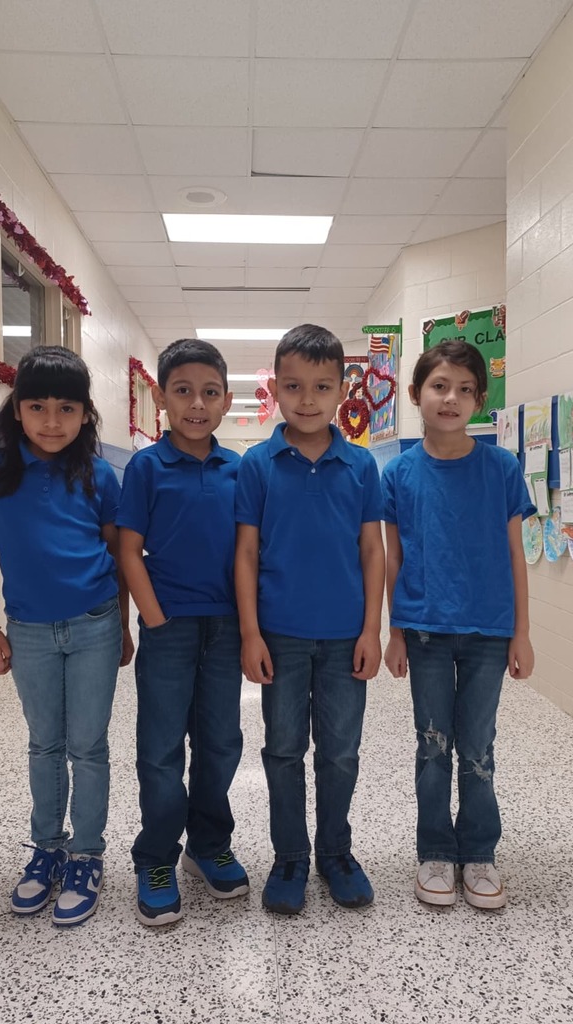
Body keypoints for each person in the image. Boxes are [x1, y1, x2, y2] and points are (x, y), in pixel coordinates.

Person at [0, 346, 133, 926]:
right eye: (37, 406)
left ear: (86, 414)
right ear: (17, 409)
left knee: (88, 746)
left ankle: (87, 854)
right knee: (44, 744)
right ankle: (46, 848)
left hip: (94, 625)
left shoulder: (99, 474)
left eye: (67, 408)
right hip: (29, 631)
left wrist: (125, 624)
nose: (52, 421)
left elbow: (118, 554)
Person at [235, 324, 385, 915]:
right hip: (282, 635)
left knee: (341, 752)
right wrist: (250, 632)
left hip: (347, 632)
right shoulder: (258, 464)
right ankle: (290, 856)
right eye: (294, 386)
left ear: (341, 389)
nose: (307, 399)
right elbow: (245, 553)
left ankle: (336, 853)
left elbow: (372, 551)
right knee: (283, 749)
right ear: (275, 389)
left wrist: (373, 628)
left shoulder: (361, 465)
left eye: (322, 386)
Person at [381, 339, 535, 910]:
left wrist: (521, 632)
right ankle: (435, 853)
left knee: (478, 745)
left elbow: (516, 554)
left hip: (490, 631)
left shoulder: (502, 468)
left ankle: (479, 853)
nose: (451, 398)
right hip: (422, 629)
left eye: (465, 389)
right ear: (417, 393)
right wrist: (393, 631)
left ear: (479, 400)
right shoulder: (398, 474)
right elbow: (393, 557)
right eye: (440, 386)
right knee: (432, 744)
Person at [117, 338, 248, 927]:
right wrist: (154, 617)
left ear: (225, 402)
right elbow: (128, 548)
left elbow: (251, 551)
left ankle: (207, 843)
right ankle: (157, 856)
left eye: (210, 392)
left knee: (221, 742)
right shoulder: (146, 466)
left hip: (225, 627)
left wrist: (249, 624)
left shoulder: (238, 469)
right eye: (183, 391)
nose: (197, 403)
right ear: (162, 398)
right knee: (163, 748)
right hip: (168, 629)